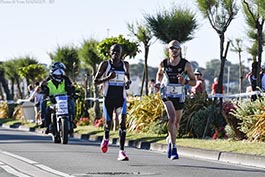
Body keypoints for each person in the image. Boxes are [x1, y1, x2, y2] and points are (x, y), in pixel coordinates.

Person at [154, 40, 196, 160]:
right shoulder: (164, 63)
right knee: (172, 118)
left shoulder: (186, 65)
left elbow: (194, 82)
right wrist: (158, 83)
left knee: (176, 123)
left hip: (179, 95)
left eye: (176, 48)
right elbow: (159, 74)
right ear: (168, 50)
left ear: (180, 50)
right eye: (172, 48)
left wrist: (185, 82)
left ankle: (170, 139)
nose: (174, 50)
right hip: (166, 93)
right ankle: (174, 148)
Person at [93, 44, 131, 161]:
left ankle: (121, 152)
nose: (115, 53)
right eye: (113, 51)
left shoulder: (125, 65)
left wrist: (127, 83)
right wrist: (108, 78)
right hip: (108, 98)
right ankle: (106, 138)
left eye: (118, 52)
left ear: (121, 54)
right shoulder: (105, 64)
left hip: (121, 98)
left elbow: (127, 78)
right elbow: (95, 81)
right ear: (110, 53)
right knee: (108, 123)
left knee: (122, 122)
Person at [40, 62, 76, 134]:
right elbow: (43, 88)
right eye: (57, 71)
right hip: (52, 100)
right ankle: (45, 122)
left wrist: (72, 92)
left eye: (61, 71)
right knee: (44, 105)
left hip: (65, 100)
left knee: (72, 105)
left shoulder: (65, 79)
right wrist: (43, 88)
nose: (59, 74)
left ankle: (72, 121)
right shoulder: (48, 80)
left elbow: (70, 87)